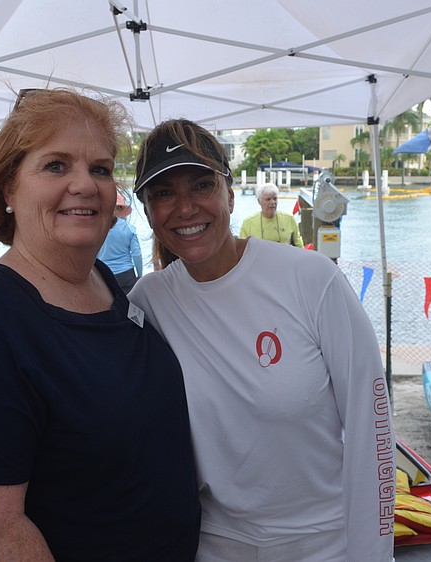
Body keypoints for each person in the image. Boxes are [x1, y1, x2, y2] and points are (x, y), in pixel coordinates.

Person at [0, 89, 200, 562]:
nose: (85, 185)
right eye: (56, 165)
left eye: (101, 168)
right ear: (9, 188)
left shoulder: (104, 283)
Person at [129, 118, 395, 562]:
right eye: (163, 194)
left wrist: (372, 553)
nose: (185, 208)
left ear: (230, 195)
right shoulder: (148, 303)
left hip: (326, 542)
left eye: (200, 185)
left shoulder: (312, 280)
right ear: (148, 211)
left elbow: (372, 427)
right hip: (210, 545)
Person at [97, 192, 143, 293]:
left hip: (103, 273)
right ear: (122, 210)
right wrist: (140, 275)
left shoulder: (98, 228)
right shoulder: (129, 228)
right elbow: (137, 255)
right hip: (126, 274)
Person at [239, 182, 303, 247]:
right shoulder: (248, 223)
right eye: (268, 199)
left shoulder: (289, 219)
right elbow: (242, 249)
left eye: (275, 199)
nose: (272, 202)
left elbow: (299, 245)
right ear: (259, 201)